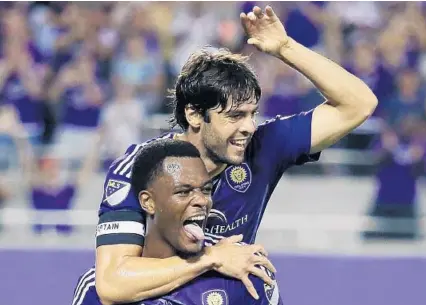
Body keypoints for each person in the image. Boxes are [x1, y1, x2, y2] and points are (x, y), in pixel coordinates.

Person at [95, 5, 378, 304]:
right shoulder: (140, 168)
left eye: (252, 114)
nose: (248, 127)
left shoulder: (263, 146)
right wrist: (210, 259)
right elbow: (112, 284)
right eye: (234, 116)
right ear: (194, 114)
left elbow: (359, 104)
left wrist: (285, 48)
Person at [73, 139, 281, 305]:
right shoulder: (96, 289)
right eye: (183, 191)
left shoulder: (243, 269)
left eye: (206, 190)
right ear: (148, 202)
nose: (201, 200)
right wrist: (208, 258)